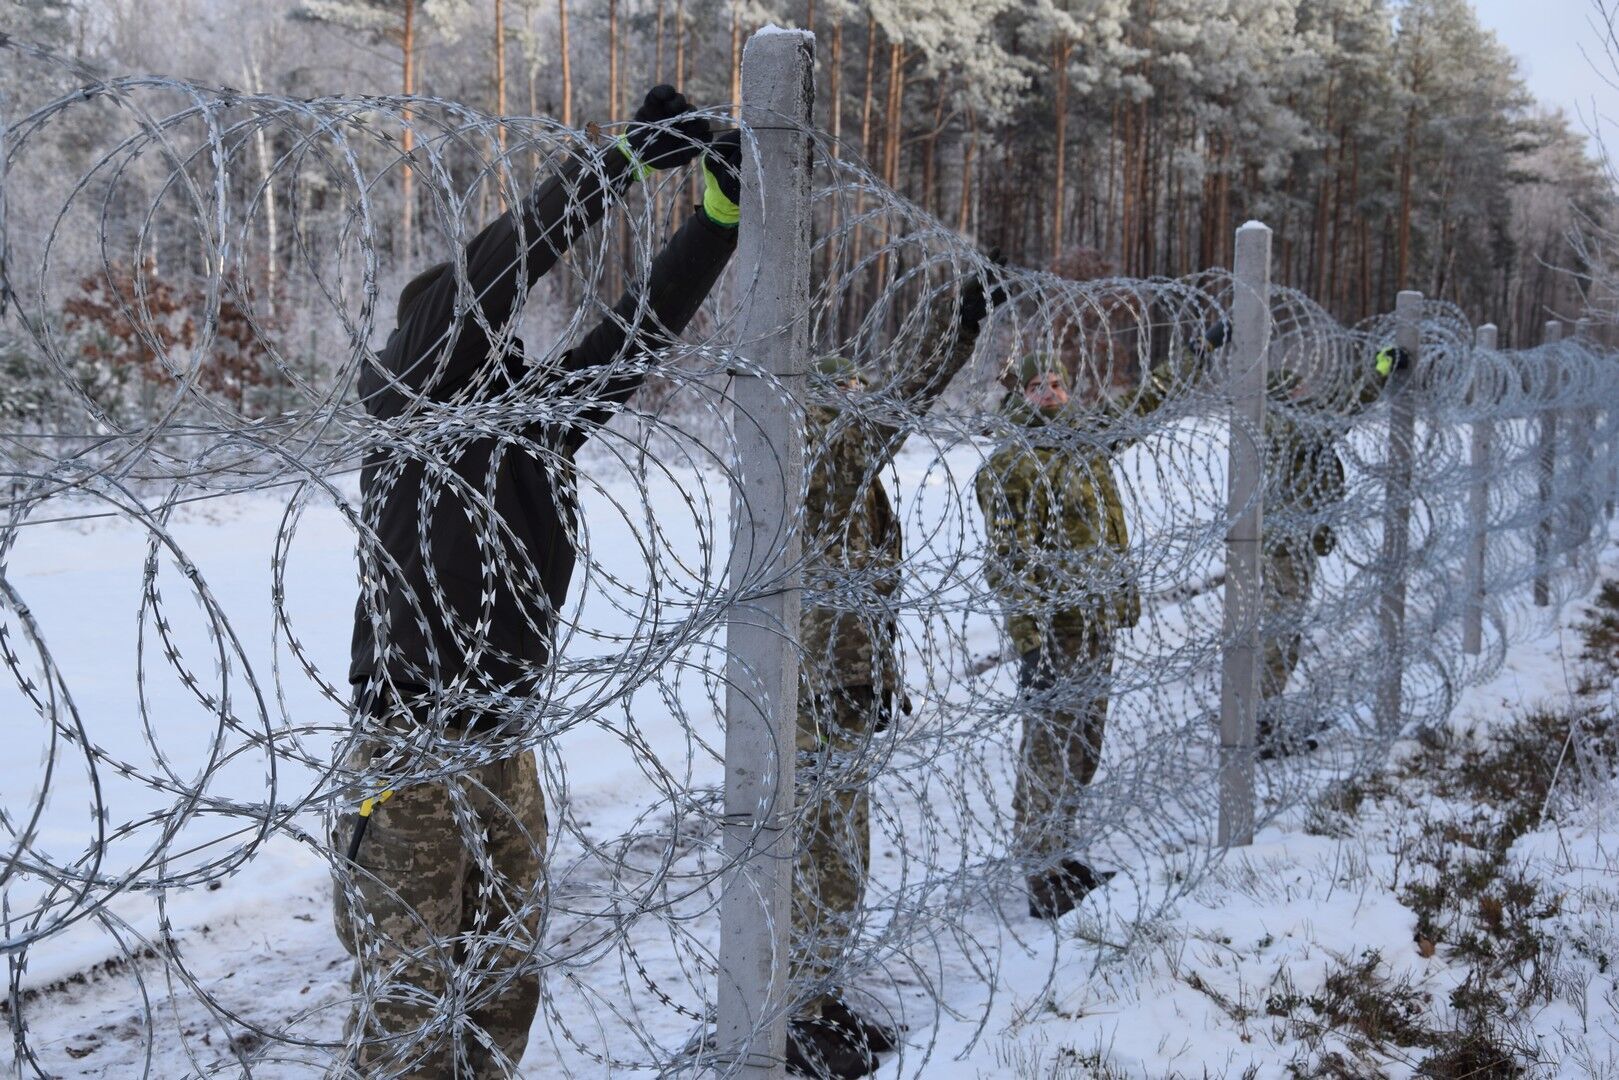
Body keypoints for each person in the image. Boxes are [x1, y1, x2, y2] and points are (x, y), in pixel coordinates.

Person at [331, 87, 742, 1078]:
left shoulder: (531, 420)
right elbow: (494, 272)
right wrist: (622, 162)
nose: (504, 333)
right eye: (476, 322)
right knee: (410, 1009)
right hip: (411, 746)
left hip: (504, 740)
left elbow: (643, 326)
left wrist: (720, 216)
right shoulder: (412, 401)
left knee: (502, 984)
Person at [786, 259, 1005, 1079]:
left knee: (841, 856)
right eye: (836, 384)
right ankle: (788, 1015)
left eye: (854, 383)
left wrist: (878, 680)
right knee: (812, 857)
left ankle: (816, 993)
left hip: (843, 684)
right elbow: (901, 399)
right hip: (807, 686)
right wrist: (959, 327)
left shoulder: (852, 468)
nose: (852, 393)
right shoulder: (816, 451)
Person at [974, 326, 1217, 920]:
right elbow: (1006, 564)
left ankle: (1060, 851)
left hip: (1096, 622)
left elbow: (1145, 404)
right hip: (1056, 630)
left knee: (1084, 747)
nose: (1050, 392)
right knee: (1049, 752)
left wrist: (1195, 353)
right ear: (1018, 396)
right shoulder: (1014, 464)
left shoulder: (1084, 441)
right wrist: (1030, 642)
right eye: (1036, 385)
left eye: (1056, 381)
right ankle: (1040, 873)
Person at [1257, 342, 1404, 756]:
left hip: (1295, 542)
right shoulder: (1281, 425)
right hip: (1285, 545)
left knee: (1285, 631)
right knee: (1278, 632)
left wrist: (1372, 370)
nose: (1306, 390)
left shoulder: (1288, 420)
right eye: (1297, 387)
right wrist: (1375, 375)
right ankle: (1257, 721)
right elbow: (1337, 418)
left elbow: (1335, 406)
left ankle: (1263, 713)